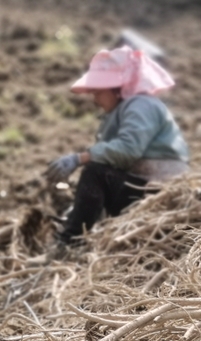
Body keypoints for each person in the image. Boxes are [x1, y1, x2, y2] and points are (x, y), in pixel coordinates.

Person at [45, 45, 189, 246]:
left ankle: (68, 244)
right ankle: (76, 227)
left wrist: (79, 158)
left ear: (118, 88)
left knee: (95, 172)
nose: (95, 99)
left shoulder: (142, 105)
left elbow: (128, 150)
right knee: (99, 170)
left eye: (98, 92)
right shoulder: (126, 108)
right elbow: (111, 157)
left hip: (161, 192)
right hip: (145, 187)